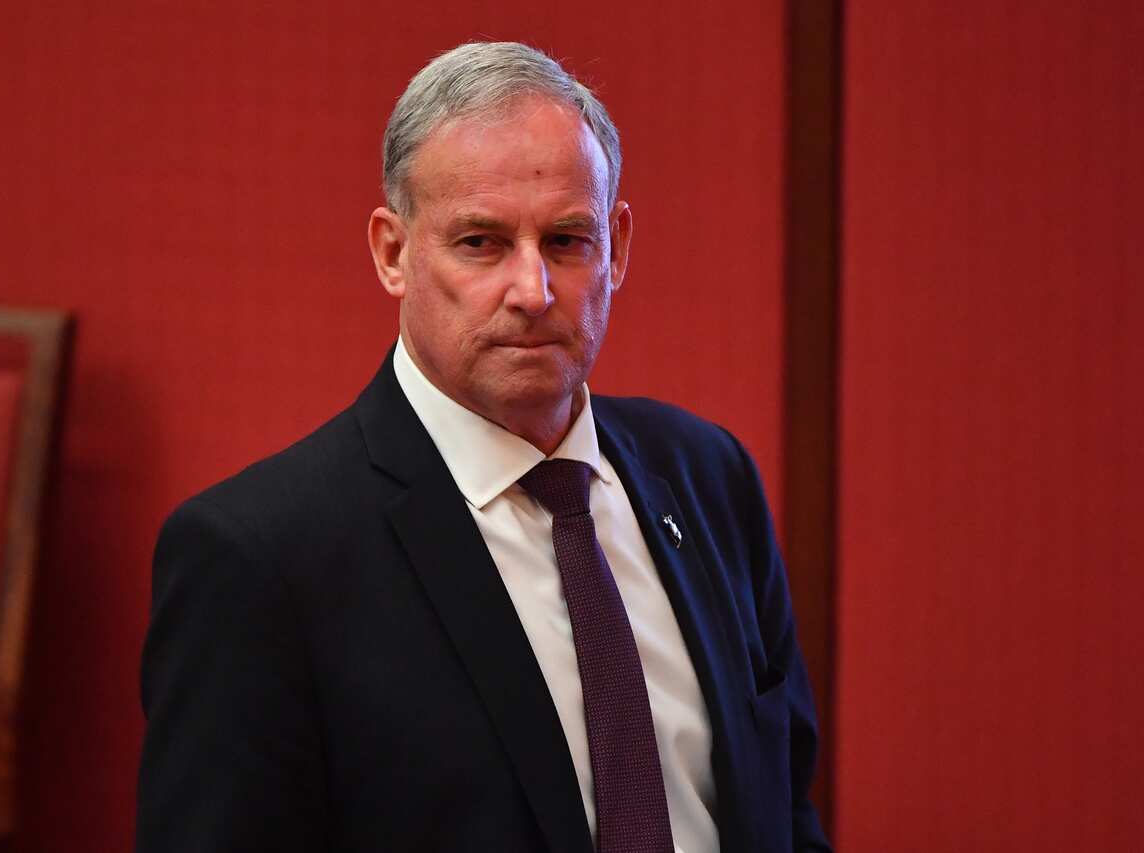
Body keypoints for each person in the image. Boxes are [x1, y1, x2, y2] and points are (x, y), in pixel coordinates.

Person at [137, 41, 831, 853]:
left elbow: (786, 813)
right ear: (392, 252)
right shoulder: (259, 559)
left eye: (567, 241)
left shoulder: (710, 478)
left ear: (617, 246)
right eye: (481, 243)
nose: (533, 291)